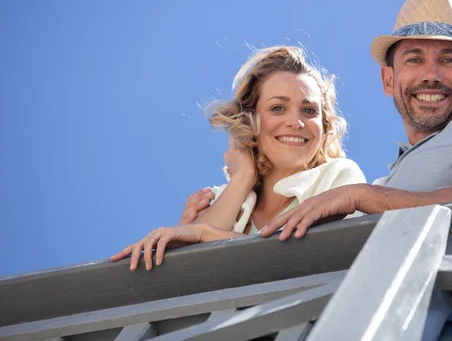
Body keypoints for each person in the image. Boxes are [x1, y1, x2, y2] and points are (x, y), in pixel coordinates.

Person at [178, 0, 452, 340]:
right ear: (389, 79)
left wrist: (361, 196)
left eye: (449, 59)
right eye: (414, 59)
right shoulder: (388, 182)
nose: (430, 74)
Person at [110, 46, 366, 271]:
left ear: (323, 126)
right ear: (250, 120)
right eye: (278, 108)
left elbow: (318, 258)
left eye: (309, 111)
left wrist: (205, 233)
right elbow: (191, 270)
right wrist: (242, 178)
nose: (296, 122)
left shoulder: (340, 176)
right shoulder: (221, 196)